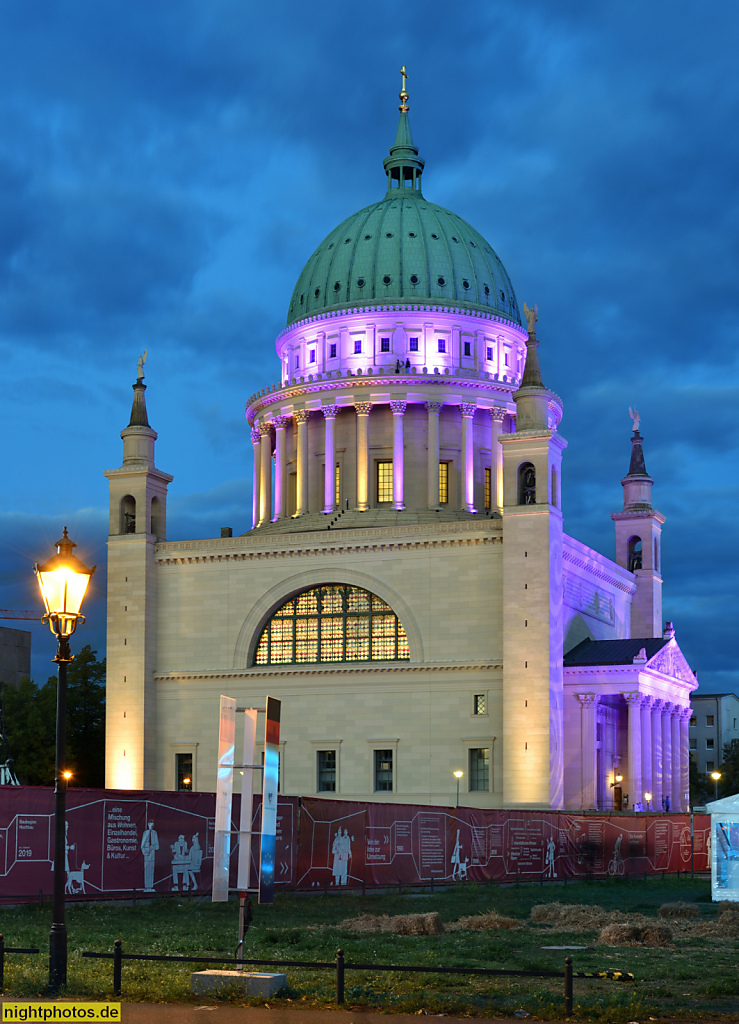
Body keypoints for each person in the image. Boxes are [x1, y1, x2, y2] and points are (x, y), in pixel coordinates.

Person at [141, 821, 159, 892]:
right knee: (147, 870)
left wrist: (153, 847)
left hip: (152, 853)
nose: (152, 827)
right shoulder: (145, 833)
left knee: (151, 870)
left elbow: (157, 846)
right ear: (148, 824)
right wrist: (145, 852)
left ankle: (150, 887)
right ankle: (146, 887)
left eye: (153, 825)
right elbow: (142, 845)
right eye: (151, 825)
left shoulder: (155, 833)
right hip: (146, 854)